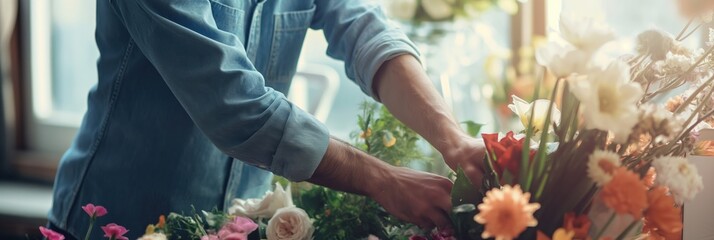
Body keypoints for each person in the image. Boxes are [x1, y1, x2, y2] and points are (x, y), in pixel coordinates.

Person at [48, 1, 486, 239]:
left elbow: (365, 30)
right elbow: (234, 104)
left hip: (238, 227)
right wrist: (384, 179)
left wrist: (454, 141)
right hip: (113, 221)